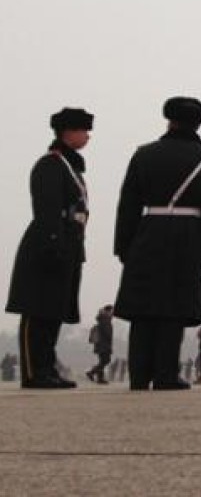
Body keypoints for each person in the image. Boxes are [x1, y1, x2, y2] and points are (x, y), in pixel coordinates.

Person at [113, 98, 201, 391]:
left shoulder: (144, 155)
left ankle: (139, 375)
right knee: (173, 307)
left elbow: (127, 205)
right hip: (189, 235)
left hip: (148, 230)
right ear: (199, 123)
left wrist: (124, 244)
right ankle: (165, 373)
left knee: (144, 306)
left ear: (168, 120)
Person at [6, 108, 94, 389]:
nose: (88, 136)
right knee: (38, 308)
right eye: (83, 130)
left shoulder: (69, 166)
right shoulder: (51, 165)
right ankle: (34, 372)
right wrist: (54, 242)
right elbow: (47, 209)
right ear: (69, 132)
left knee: (54, 309)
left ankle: (47, 367)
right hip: (47, 242)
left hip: (68, 241)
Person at [84, 305, 115, 385]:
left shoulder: (102, 319)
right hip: (104, 345)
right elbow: (107, 333)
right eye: (111, 311)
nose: (112, 313)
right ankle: (91, 372)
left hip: (100, 344)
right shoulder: (105, 320)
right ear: (108, 311)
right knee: (106, 360)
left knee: (102, 360)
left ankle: (100, 378)